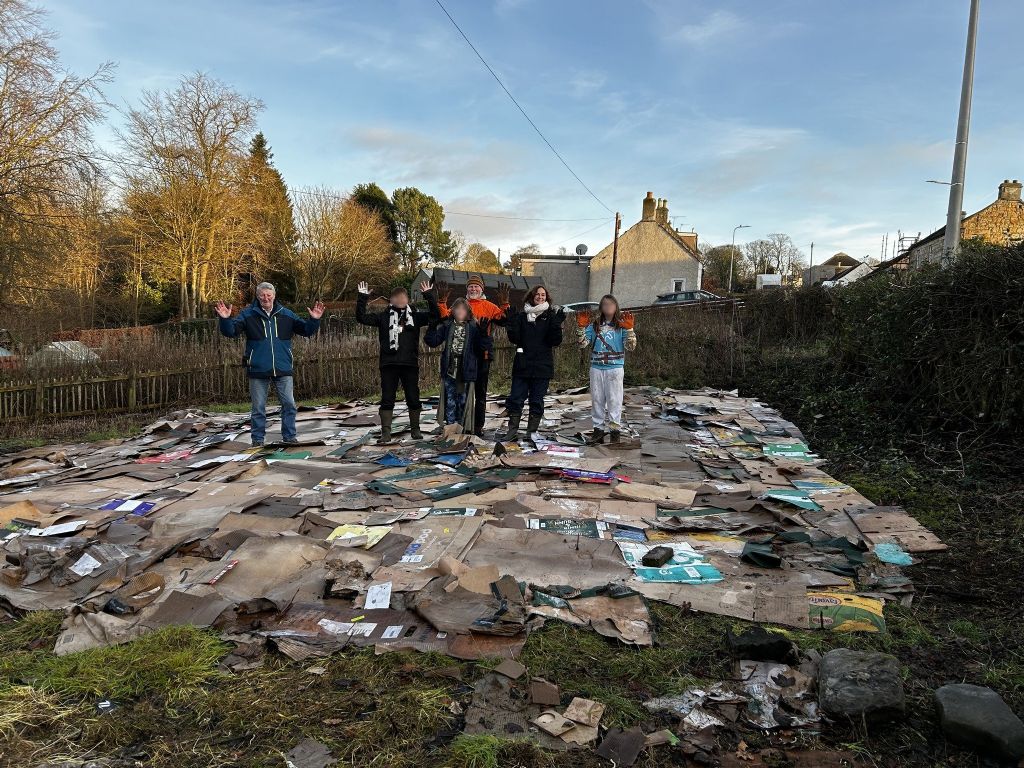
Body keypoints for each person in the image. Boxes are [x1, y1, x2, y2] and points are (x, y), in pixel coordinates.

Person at [215, 282, 325, 446]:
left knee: (289, 404)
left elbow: (306, 330)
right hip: (258, 368)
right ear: (258, 297)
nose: (265, 298)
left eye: (269, 295)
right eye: (262, 295)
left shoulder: (286, 314)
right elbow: (231, 332)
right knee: (258, 408)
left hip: (283, 367)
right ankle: (257, 440)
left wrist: (314, 320)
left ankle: (289, 437)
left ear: (274, 296)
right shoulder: (248, 315)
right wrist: (225, 319)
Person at [356, 280, 439, 443]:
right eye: (397, 297)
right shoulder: (383, 317)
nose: (401, 300)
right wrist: (362, 297)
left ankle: (415, 429)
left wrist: (429, 295)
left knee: (413, 398)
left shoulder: (415, 316)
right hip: (389, 364)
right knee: (387, 398)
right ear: (391, 300)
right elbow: (362, 318)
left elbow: (435, 315)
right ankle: (386, 432)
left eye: (403, 297)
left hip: (410, 363)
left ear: (407, 300)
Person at [436, 274, 509, 437]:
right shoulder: (462, 306)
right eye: (471, 286)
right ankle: (460, 423)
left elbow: (504, 319)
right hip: (463, 356)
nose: (473, 289)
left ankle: (478, 425)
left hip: (482, 355)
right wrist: (441, 302)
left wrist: (504, 303)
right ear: (467, 289)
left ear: (482, 289)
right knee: (460, 392)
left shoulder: (489, 307)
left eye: (477, 286)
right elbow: (444, 317)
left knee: (480, 393)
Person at [502, 285, 565, 440]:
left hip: (542, 365)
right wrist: (511, 324)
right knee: (516, 398)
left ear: (547, 297)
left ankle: (532, 432)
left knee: (536, 400)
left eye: (543, 295)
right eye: (537, 294)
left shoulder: (550, 316)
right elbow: (515, 339)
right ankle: (512, 431)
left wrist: (556, 325)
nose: (540, 297)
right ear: (531, 296)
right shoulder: (522, 317)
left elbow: (555, 341)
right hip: (522, 364)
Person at [425, 298, 492, 433]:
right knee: (450, 400)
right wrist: (432, 327)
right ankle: (450, 429)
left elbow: (483, 347)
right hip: (450, 369)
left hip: (465, 370)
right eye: (457, 308)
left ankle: (461, 428)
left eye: (463, 309)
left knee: (462, 401)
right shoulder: (448, 326)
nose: (460, 311)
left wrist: (484, 334)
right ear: (453, 311)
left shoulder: (473, 327)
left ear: (468, 311)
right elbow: (432, 341)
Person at [576, 295, 637, 443]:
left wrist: (630, 330)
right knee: (597, 399)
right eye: (605, 304)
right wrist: (580, 329)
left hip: (615, 368)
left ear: (616, 306)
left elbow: (631, 347)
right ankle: (598, 431)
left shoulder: (622, 325)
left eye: (611, 304)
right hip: (596, 367)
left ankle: (615, 432)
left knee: (614, 400)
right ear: (601, 308)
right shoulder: (595, 326)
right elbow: (582, 344)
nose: (608, 307)